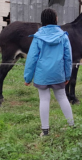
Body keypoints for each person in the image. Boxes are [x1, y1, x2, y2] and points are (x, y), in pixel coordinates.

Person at [24, 8, 74, 137]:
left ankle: (45, 131)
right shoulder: (63, 36)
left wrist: (28, 77)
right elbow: (68, 58)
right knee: (62, 98)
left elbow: (31, 58)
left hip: (42, 75)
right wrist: (67, 75)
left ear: (42, 21)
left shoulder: (38, 37)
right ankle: (72, 126)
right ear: (56, 19)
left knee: (44, 100)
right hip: (58, 74)